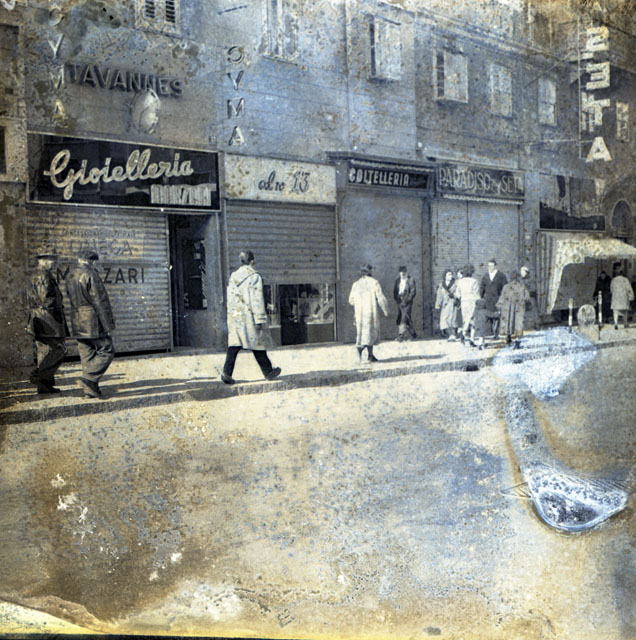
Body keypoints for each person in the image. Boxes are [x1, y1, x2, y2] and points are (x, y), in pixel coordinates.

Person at [222, 251, 281, 384]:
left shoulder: (234, 276)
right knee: (257, 342)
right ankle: (268, 371)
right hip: (249, 315)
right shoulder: (254, 276)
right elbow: (257, 299)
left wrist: (233, 316)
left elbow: (230, 299)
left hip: (236, 314)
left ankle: (227, 372)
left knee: (235, 343)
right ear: (253, 261)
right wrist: (259, 319)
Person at [65, 249, 116, 398]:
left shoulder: (70, 275)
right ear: (91, 261)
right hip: (92, 320)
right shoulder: (91, 274)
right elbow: (100, 301)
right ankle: (89, 379)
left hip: (77, 319)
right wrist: (108, 325)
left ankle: (90, 389)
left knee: (86, 352)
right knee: (107, 349)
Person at [26, 247, 69, 394]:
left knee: (44, 352)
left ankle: (44, 386)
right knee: (59, 350)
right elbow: (47, 300)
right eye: (52, 260)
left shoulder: (36, 274)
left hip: (40, 318)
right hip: (48, 319)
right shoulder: (43, 275)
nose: (55, 263)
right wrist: (58, 311)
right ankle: (38, 376)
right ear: (43, 260)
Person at [349, 264, 389, 363]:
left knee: (363, 333)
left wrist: (358, 303)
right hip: (370, 311)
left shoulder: (356, 284)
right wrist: (386, 310)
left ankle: (370, 356)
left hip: (359, 313)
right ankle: (359, 349)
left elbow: (351, 300)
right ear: (369, 271)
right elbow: (381, 298)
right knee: (371, 333)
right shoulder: (374, 282)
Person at [496, 270, 530, 348]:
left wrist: (499, 306)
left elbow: (502, 298)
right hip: (519, 308)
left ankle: (508, 338)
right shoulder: (522, 286)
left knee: (508, 322)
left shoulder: (506, 287)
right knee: (518, 323)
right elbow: (527, 298)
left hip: (507, 308)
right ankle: (517, 342)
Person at [479, 259, 507, 338]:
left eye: (491, 266)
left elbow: (505, 287)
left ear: (495, 266)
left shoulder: (501, 275)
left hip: (497, 299)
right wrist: (481, 296)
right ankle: (491, 332)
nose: (490, 267)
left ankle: (497, 333)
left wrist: (503, 297)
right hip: (488, 299)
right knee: (489, 315)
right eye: (488, 266)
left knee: (497, 316)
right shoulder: (485, 276)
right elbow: (482, 287)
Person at [454, 264, 480, 343]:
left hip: (464, 301)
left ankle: (464, 334)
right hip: (472, 301)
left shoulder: (460, 282)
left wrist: (462, 297)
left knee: (465, 319)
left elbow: (457, 294)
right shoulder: (474, 281)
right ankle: (471, 338)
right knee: (473, 319)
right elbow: (476, 294)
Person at [393, 265, 417, 341]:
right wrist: (397, 300)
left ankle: (401, 335)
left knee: (404, 318)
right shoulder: (397, 280)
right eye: (401, 272)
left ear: (406, 272)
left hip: (407, 301)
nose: (402, 274)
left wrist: (407, 300)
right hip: (400, 301)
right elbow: (395, 291)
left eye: (404, 272)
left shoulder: (411, 280)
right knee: (405, 317)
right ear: (399, 273)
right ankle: (413, 334)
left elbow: (413, 292)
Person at [434, 269, 459, 341]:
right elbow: (439, 296)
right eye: (449, 274)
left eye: (451, 274)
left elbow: (458, 292)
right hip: (445, 305)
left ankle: (453, 334)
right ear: (445, 276)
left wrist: (454, 296)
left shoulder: (455, 284)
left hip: (453, 304)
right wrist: (438, 305)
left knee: (453, 319)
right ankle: (448, 334)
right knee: (445, 319)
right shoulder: (441, 285)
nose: (450, 276)